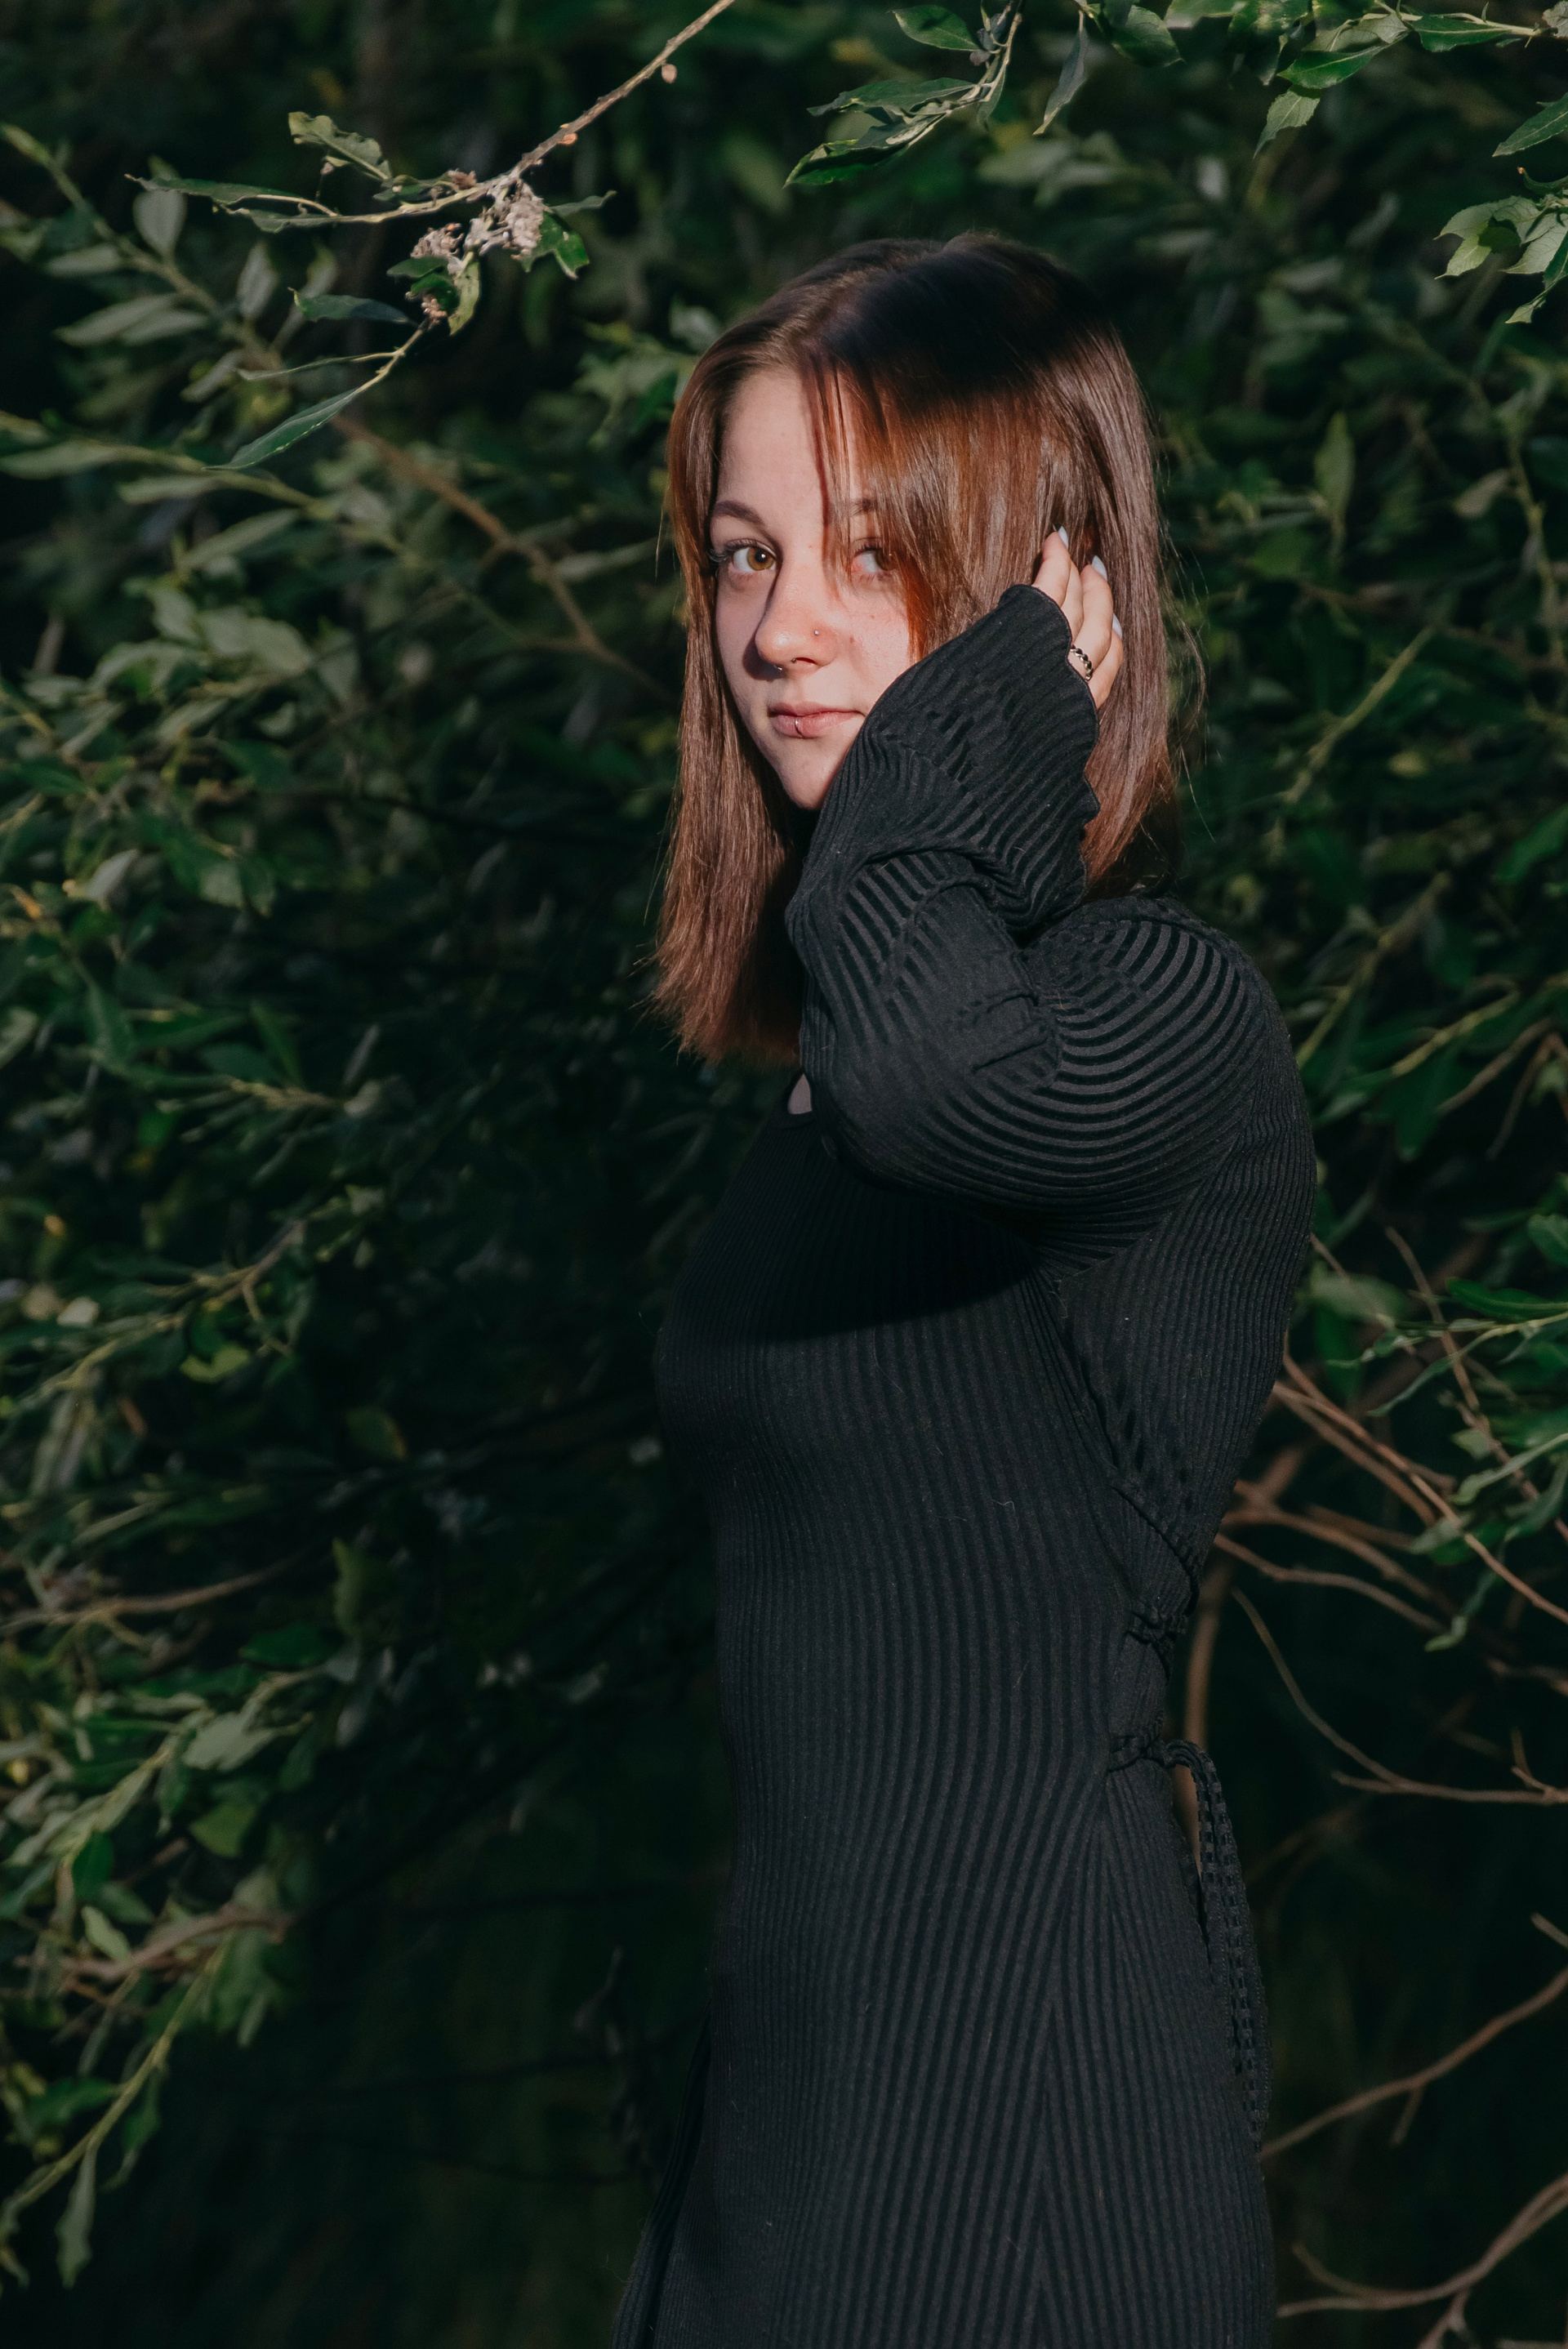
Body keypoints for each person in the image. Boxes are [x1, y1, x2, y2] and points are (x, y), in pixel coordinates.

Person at [614, 235, 1314, 2349]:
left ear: (1046, 592)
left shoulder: (1158, 1017)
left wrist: (992, 719)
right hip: (798, 2153)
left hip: (1031, 2169)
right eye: (746, 555)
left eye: (871, 551)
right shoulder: (826, 1103)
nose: (779, 629)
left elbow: (938, 1074)